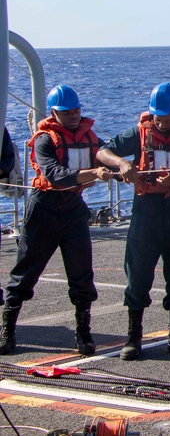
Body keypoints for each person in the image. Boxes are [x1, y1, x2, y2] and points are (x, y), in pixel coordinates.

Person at [0, 85, 113, 356]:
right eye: (67, 112)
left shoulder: (90, 137)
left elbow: (107, 156)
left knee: (82, 274)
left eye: (76, 111)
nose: (74, 116)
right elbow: (54, 175)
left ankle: (83, 334)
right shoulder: (45, 140)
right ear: (54, 113)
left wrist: (121, 167)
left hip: (73, 208)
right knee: (25, 271)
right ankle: (8, 329)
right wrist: (94, 174)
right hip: (44, 209)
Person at [96, 83, 170, 361]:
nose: (162, 121)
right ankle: (134, 337)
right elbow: (102, 152)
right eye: (157, 116)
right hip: (146, 210)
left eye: (167, 117)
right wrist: (121, 163)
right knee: (139, 272)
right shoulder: (139, 133)